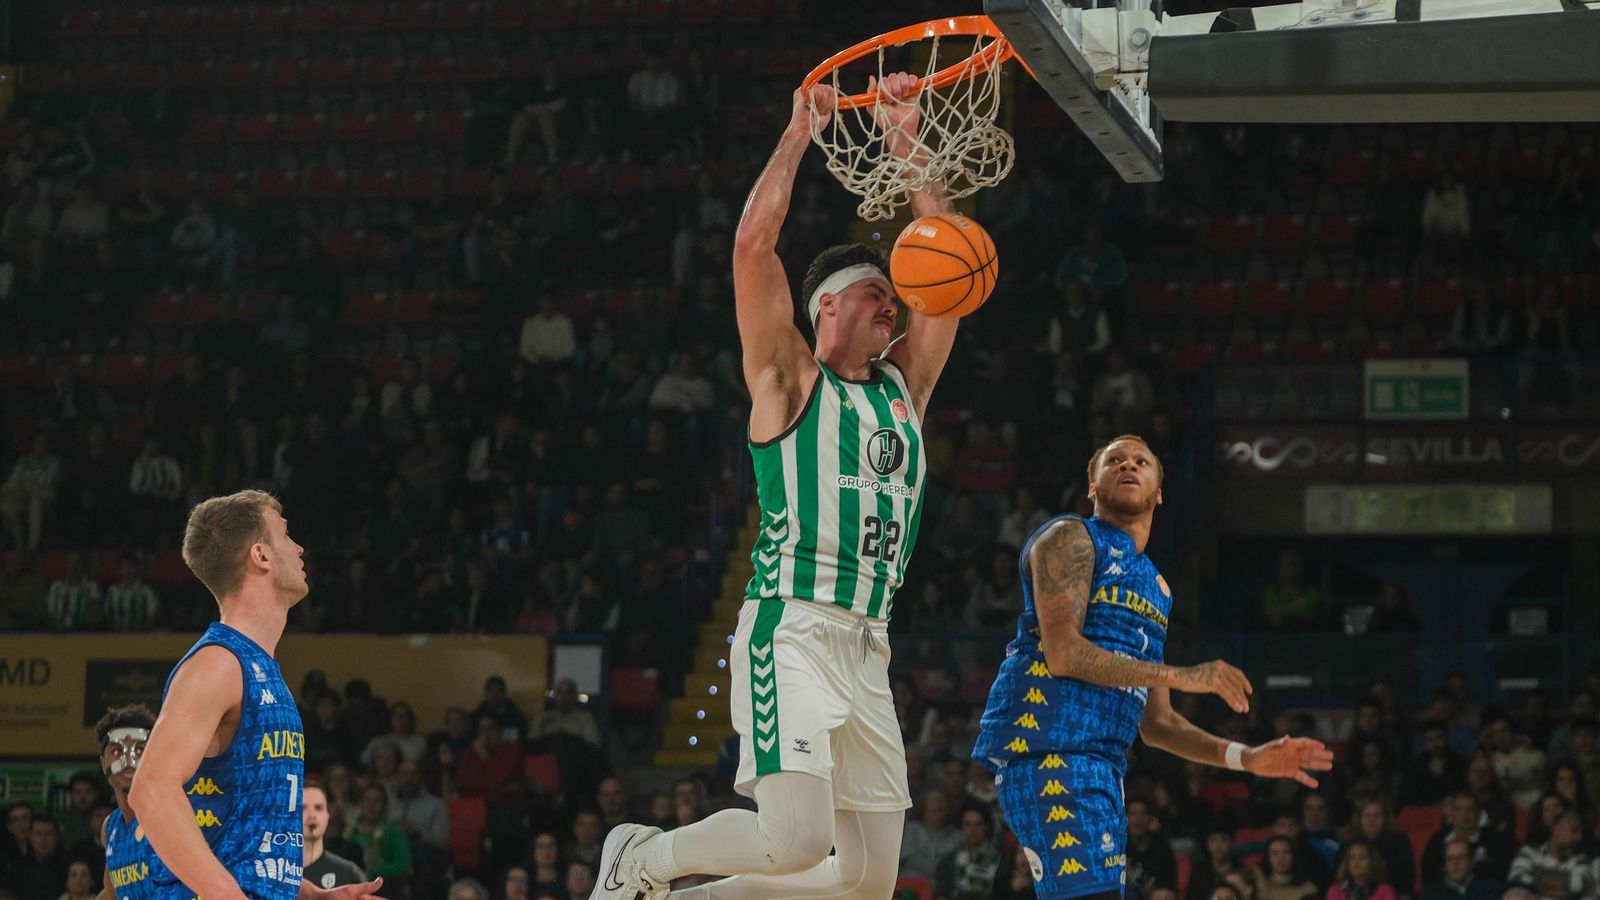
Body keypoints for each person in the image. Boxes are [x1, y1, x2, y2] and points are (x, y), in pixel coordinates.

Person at [591, 74, 962, 900]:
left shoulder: (906, 390)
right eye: (878, 294)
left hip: (869, 642)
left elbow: (945, 251)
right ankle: (641, 860)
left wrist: (905, 136)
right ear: (827, 304)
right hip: (790, 626)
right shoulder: (788, 378)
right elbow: (752, 248)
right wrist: (800, 131)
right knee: (797, 841)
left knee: (866, 884)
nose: (895, 308)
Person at [971, 435, 1333, 900]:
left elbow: (1158, 725)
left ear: (1159, 491)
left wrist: (1248, 757)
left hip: (1102, 766)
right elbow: (1063, 654)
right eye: (1114, 460)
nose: (1128, 464)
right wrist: (1182, 675)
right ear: (1092, 486)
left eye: (1141, 461)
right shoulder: (1071, 538)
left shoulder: (1156, 587)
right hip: (1048, 746)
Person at [128, 490, 382, 900]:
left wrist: (312, 895)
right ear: (260, 555)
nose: (299, 548)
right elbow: (152, 790)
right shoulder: (218, 663)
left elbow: (243, 838)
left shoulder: (258, 666)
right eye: (286, 535)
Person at [96, 703, 156, 900]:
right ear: (103, 761)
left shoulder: (169, 815)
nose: (128, 760)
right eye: (116, 751)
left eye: (140, 750)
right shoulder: (110, 827)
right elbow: (110, 895)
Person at [302, 782, 368, 891]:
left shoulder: (350, 874)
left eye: (318, 808)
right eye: (303, 808)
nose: (312, 815)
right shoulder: (270, 872)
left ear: (327, 817)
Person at [1417, 839, 1501, 900]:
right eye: (1450, 858)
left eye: (1461, 857)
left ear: (1472, 862)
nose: (1455, 863)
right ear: (1445, 865)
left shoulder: (1490, 891)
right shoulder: (1430, 896)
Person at [1326, 841, 1397, 900]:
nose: (1356, 862)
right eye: (1352, 857)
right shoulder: (1335, 891)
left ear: (1372, 862)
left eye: (1362, 857)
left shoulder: (1386, 891)